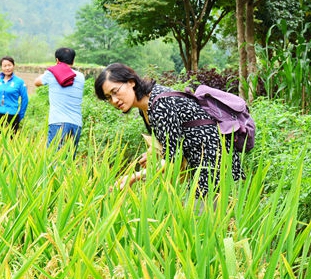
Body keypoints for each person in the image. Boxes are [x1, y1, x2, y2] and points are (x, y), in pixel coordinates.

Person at [94, 63, 245, 197]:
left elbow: (173, 161)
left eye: (115, 91)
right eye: (108, 97)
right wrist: (154, 152)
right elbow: (172, 142)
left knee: (202, 219)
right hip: (199, 164)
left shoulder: (161, 105)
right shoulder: (146, 108)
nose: (114, 100)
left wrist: (135, 176)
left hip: (213, 164)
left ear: (131, 82)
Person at [34, 47, 85, 157]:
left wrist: (50, 70)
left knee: (53, 160)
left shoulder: (51, 74)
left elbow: (37, 82)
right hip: (76, 124)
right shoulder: (81, 77)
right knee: (69, 160)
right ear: (73, 61)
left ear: (57, 60)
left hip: (58, 123)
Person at [0, 56, 29, 134]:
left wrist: (20, 115)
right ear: (1, 67)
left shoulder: (19, 82)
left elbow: (25, 100)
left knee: (11, 142)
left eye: (9, 65)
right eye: (5, 66)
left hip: (12, 116)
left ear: (13, 66)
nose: (7, 68)